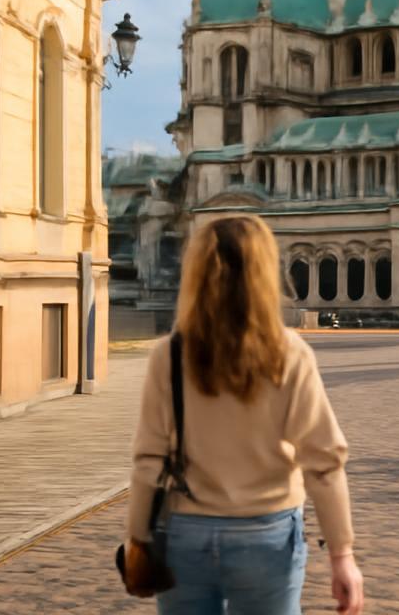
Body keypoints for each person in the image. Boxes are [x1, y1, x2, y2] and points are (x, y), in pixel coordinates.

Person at [124, 215, 364, 614]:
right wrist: (342, 554)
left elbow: (149, 458)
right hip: (267, 534)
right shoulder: (289, 353)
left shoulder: (170, 354)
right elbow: (323, 462)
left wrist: (137, 539)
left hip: (186, 532)